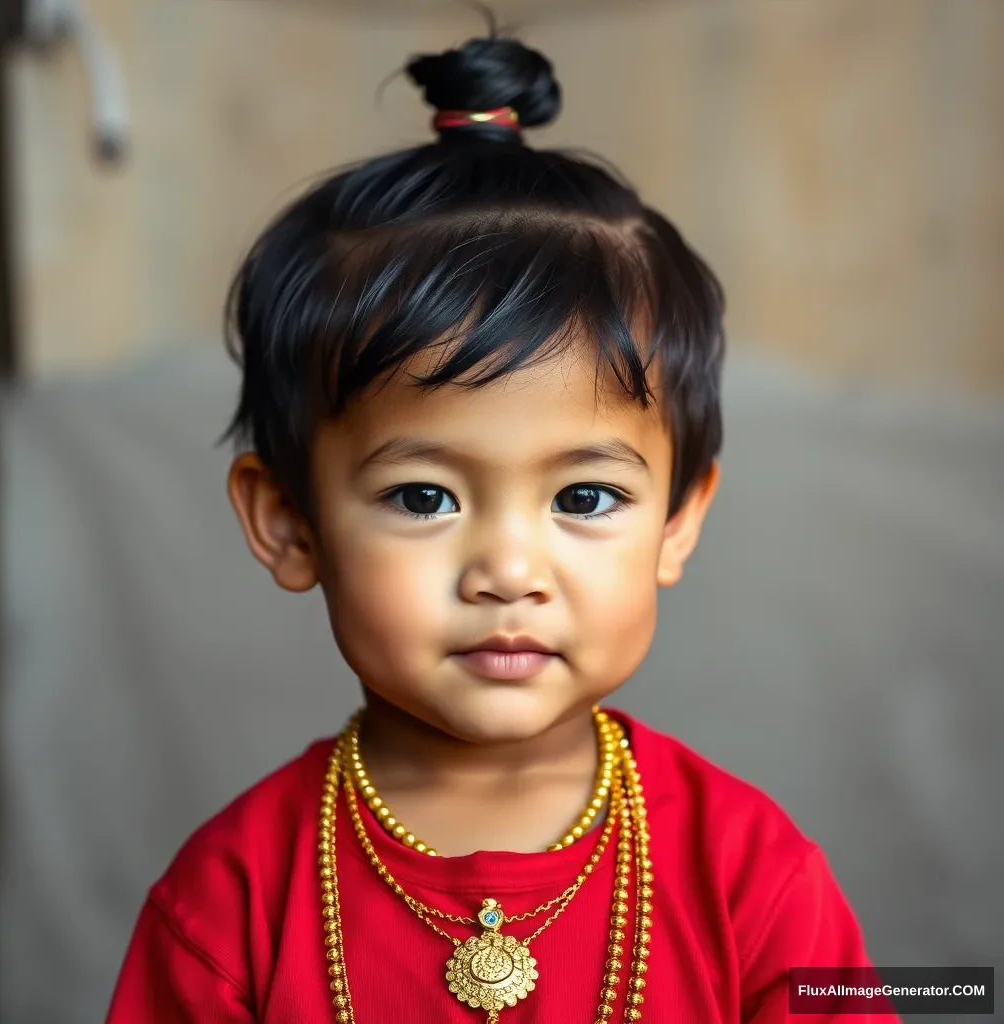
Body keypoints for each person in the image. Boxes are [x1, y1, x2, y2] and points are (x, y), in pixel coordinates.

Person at [106, 32, 896, 1024]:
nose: (509, 570)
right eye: (424, 498)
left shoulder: (752, 875)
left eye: (583, 499)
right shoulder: (230, 900)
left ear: (678, 522)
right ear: (288, 522)